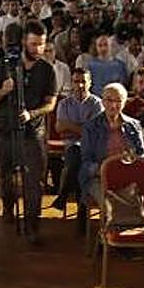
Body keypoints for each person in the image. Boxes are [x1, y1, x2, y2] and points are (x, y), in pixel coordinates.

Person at [0, 21, 58, 243]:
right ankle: (8, 206)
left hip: (32, 132)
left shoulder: (48, 70)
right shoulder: (7, 65)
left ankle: (32, 224)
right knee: (6, 175)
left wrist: (32, 114)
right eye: (34, 44)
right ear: (25, 41)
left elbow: (51, 103)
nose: (38, 49)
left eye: (42, 45)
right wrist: (3, 90)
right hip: (5, 130)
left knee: (34, 180)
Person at [78, 82, 144, 209]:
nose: (113, 105)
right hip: (100, 178)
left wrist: (131, 163)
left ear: (124, 103)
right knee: (111, 204)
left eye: (118, 101)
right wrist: (103, 170)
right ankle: (110, 228)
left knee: (134, 202)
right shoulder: (91, 127)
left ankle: (125, 227)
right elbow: (86, 161)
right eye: (109, 100)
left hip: (127, 176)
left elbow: (141, 154)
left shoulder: (134, 125)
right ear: (102, 101)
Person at [52, 68, 104, 210]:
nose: (80, 85)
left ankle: (63, 196)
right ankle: (82, 209)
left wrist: (69, 125)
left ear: (90, 83)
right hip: (71, 145)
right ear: (71, 83)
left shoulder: (97, 104)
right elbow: (59, 129)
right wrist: (83, 128)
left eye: (83, 82)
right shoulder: (64, 103)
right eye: (76, 81)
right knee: (77, 158)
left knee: (77, 160)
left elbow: (94, 133)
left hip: (92, 147)